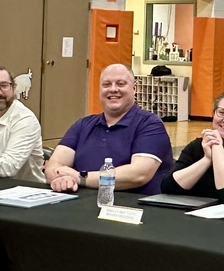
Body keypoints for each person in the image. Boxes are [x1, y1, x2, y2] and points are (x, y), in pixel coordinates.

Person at [46, 64, 173, 194]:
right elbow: (54, 164)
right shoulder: (83, 125)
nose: (113, 89)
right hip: (81, 205)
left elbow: (138, 174)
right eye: (106, 84)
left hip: (133, 209)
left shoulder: (150, 125)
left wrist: (81, 178)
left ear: (134, 89)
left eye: (121, 84)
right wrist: (59, 178)